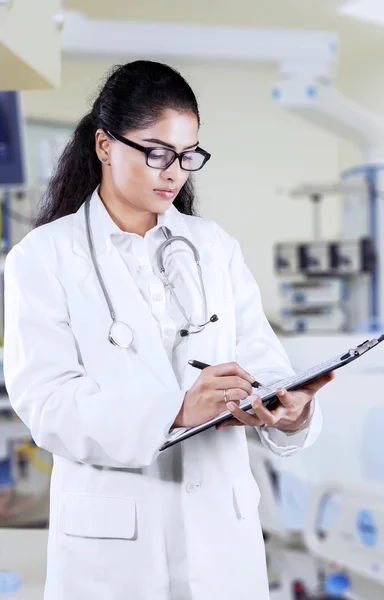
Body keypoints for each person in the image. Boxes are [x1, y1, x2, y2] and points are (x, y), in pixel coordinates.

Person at [3, 60, 334, 600]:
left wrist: (289, 410)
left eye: (187, 156)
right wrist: (178, 411)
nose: (174, 171)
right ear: (105, 145)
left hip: (221, 540)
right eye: (156, 152)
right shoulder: (42, 258)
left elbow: (261, 356)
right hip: (116, 551)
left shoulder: (213, 247)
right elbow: (48, 405)